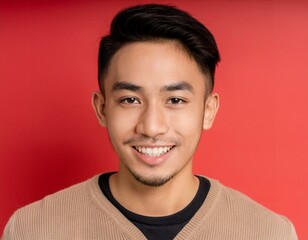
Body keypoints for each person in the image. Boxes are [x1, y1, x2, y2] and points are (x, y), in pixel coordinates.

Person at [2, 4, 297, 240]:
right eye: (130, 100)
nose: (151, 127)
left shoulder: (269, 233)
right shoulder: (33, 230)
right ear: (102, 108)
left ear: (208, 110)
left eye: (175, 100)